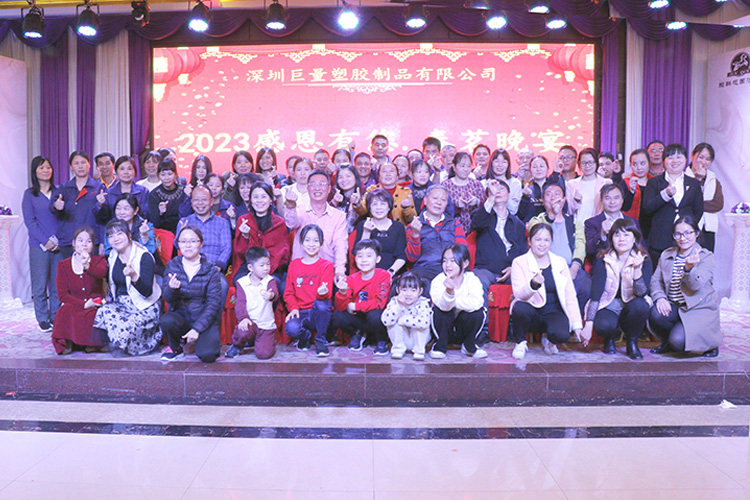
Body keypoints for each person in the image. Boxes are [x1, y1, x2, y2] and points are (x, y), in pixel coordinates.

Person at [580, 218, 652, 359]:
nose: (621, 239)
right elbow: (596, 294)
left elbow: (642, 293)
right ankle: (610, 337)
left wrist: (637, 270)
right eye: (617, 234)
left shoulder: (644, 259)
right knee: (603, 326)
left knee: (641, 306)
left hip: (631, 304)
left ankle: (632, 342)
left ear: (634, 238)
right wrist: (588, 324)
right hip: (608, 304)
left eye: (626, 234)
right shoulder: (603, 259)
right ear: (611, 238)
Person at [649, 216, 721, 357]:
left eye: (688, 233)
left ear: (697, 233)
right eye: (678, 234)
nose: (683, 238)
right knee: (655, 313)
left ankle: (710, 344)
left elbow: (695, 286)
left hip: (698, 308)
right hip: (676, 306)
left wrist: (689, 269)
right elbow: (656, 281)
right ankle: (667, 341)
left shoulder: (706, 257)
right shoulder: (666, 254)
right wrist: (660, 298)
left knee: (678, 342)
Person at [510, 223, 583, 360]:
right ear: (529, 241)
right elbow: (519, 294)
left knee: (561, 335)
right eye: (538, 239)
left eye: (546, 240)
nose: (542, 244)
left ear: (551, 242)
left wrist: (577, 325)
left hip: (554, 312)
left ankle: (548, 338)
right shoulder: (519, 262)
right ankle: (520, 342)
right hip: (532, 311)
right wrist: (533, 285)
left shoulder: (560, 262)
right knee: (519, 308)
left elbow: (570, 295)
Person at [94, 219, 162, 356]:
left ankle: (137, 344)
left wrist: (134, 276)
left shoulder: (144, 256)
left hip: (144, 306)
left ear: (129, 235)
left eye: (119, 233)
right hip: (122, 305)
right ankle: (119, 343)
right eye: (111, 235)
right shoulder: (112, 256)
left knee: (126, 326)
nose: (115, 238)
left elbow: (147, 292)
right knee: (103, 311)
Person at [160, 226, 224, 363]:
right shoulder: (172, 265)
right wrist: (172, 289)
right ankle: (176, 347)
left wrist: (197, 329)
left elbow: (213, 304)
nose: (187, 245)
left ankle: (206, 339)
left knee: (208, 355)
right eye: (183, 241)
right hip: (181, 316)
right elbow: (167, 298)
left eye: (193, 241)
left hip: (203, 317)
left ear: (201, 244)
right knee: (167, 320)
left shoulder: (211, 269)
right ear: (178, 244)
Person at [528, 183, 590, 314]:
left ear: (564, 200)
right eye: (548, 194)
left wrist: (574, 267)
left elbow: (580, 245)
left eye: (557, 194)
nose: (553, 197)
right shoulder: (536, 220)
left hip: (570, 266)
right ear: (542, 200)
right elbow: (536, 232)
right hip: (545, 267)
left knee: (585, 283)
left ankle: (574, 319)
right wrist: (552, 215)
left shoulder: (574, 222)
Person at [641, 143, 704, 265]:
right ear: (664, 161)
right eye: (670, 157)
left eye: (679, 157)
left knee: (684, 273)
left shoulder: (693, 183)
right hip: (660, 239)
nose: (675, 161)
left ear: (685, 160)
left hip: (686, 241)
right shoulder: (654, 182)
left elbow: (698, 211)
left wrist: (687, 230)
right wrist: (665, 195)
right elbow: (647, 208)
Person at [470, 179, 527, 308]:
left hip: (510, 269)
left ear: (509, 195)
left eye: (502, 189)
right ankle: (483, 319)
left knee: (525, 280)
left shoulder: (518, 224)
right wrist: (491, 198)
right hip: (486, 269)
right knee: (478, 281)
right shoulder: (481, 215)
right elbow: (476, 224)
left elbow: (523, 251)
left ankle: (515, 317)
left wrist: (514, 268)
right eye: (494, 190)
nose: (498, 192)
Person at [284, 169, 348, 282]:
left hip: (327, 273)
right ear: (307, 188)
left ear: (329, 189)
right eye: (313, 184)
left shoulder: (339, 216)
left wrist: (339, 271)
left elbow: (340, 245)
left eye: (322, 184)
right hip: (301, 274)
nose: (317, 188)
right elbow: (291, 223)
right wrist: (290, 206)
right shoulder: (299, 210)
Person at [52, 227, 108, 354]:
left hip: (94, 303)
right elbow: (62, 295)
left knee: (93, 315)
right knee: (64, 311)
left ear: (93, 245)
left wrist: (87, 265)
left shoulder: (99, 261)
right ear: (73, 243)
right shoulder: (63, 265)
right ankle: (68, 343)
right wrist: (83, 304)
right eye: (80, 240)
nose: (84, 244)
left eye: (88, 241)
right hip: (75, 304)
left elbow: (100, 273)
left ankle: (92, 344)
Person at [332, 239, 391, 354]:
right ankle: (358, 334)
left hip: (376, 317)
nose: (364, 260)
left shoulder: (384, 275)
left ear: (377, 259)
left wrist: (355, 306)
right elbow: (340, 306)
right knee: (338, 315)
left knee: (375, 315)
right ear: (355, 259)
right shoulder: (351, 279)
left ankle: (382, 340)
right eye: (360, 256)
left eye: (369, 256)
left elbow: (380, 303)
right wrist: (342, 292)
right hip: (360, 318)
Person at [23, 156, 60, 333]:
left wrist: (57, 240)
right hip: (39, 245)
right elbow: (30, 222)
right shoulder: (30, 194)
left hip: (59, 245)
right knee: (39, 284)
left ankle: (56, 316)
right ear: (34, 171)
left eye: (48, 167)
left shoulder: (59, 192)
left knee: (57, 283)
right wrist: (45, 241)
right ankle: (43, 319)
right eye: (41, 168)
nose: (46, 170)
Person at [283, 224, 334, 356]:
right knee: (291, 328)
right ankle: (305, 337)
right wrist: (293, 308)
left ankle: (320, 341)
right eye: (307, 240)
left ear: (321, 243)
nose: (311, 244)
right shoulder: (294, 265)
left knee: (322, 304)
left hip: (317, 313)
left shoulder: (326, 265)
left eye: (316, 240)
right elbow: (288, 292)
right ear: (301, 242)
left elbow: (327, 294)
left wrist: (322, 293)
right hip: (300, 312)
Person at [430, 244, 487, 359]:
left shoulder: (472, 279)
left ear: (465, 263)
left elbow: (477, 303)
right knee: (440, 311)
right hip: (445, 329)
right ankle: (440, 346)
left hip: (463, 327)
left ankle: (469, 345)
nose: (448, 265)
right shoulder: (438, 280)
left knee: (478, 312)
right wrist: (449, 292)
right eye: (445, 261)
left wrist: (452, 300)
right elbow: (444, 307)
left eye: (453, 261)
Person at [406, 184, 468, 283]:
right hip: (425, 268)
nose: (439, 202)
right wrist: (415, 235)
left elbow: (463, 252)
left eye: (443, 200)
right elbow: (411, 258)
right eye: (435, 198)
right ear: (425, 200)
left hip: (451, 268)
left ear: (446, 204)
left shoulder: (455, 224)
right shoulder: (414, 225)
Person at [226, 246, 279, 359]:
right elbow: (240, 303)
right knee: (242, 331)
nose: (266, 268)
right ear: (250, 267)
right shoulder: (242, 282)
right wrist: (243, 318)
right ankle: (238, 345)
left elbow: (274, 293)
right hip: (250, 322)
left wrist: (271, 296)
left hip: (265, 325)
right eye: (262, 265)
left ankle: (268, 341)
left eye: (268, 264)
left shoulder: (270, 280)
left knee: (263, 354)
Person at [50, 151, 106, 258]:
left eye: (83, 162)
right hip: (68, 240)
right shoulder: (64, 188)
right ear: (71, 167)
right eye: (76, 163)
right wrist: (57, 207)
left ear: (89, 165)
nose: (80, 166)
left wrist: (101, 204)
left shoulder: (99, 187)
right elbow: (53, 209)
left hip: (91, 241)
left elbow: (104, 217)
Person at [233, 182, 290, 284]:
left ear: (270, 199)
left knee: (269, 283)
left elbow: (282, 254)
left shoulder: (279, 223)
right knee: (240, 282)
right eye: (255, 197)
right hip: (249, 267)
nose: (259, 200)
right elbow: (240, 254)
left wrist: (264, 271)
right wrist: (245, 237)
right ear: (250, 200)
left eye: (263, 197)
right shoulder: (243, 220)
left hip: (272, 267)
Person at [353, 189, 407, 277]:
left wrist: (390, 273)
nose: (378, 208)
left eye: (382, 204)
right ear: (369, 207)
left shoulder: (398, 227)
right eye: (374, 204)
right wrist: (366, 232)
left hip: (392, 273)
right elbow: (358, 254)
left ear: (389, 207)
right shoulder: (363, 225)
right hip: (368, 273)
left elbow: (401, 257)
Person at [381, 272, 431, 360]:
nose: (408, 294)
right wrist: (399, 306)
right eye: (404, 290)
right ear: (397, 290)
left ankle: (419, 351)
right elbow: (386, 321)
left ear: (420, 291)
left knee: (420, 326)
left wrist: (402, 320)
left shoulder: (423, 302)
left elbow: (424, 322)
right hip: (401, 339)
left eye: (413, 290)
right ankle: (398, 350)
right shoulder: (394, 301)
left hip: (418, 340)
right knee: (392, 323)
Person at [584, 184, 640, 262]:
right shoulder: (591, 223)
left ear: (622, 200)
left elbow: (641, 248)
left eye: (616, 198)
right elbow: (590, 250)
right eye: (608, 198)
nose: (612, 202)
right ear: (601, 201)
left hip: (630, 264)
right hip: (603, 264)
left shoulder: (633, 222)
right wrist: (602, 234)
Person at [686, 142, 723, 251]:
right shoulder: (683, 177)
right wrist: (697, 179)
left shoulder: (713, 180)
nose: (703, 162)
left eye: (707, 159)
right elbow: (685, 201)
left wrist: (695, 204)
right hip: (688, 226)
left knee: (707, 257)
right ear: (692, 155)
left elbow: (718, 204)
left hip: (708, 229)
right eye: (700, 157)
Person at [442, 151, 485, 230]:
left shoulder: (477, 184)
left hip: (475, 228)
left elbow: (486, 206)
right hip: (452, 229)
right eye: (462, 166)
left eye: (468, 166)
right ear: (454, 167)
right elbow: (441, 209)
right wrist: (455, 205)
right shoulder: (446, 185)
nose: (466, 169)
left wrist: (477, 202)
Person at [565, 148, 611, 222]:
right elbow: (569, 211)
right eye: (583, 163)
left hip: (598, 225)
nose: (587, 166)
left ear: (596, 163)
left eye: (590, 162)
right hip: (577, 225)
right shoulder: (571, 184)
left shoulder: (606, 183)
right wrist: (576, 202)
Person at [517, 155, 566, 222]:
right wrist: (525, 198)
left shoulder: (555, 186)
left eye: (541, 166)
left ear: (548, 169)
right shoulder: (526, 189)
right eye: (534, 167)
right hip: (532, 226)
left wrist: (556, 174)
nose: (538, 169)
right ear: (530, 170)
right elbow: (521, 215)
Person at [101, 156, 150, 222]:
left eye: (129, 169)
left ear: (134, 171)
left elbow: (146, 215)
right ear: (116, 171)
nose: (126, 172)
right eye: (122, 169)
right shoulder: (109, 192)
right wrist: (100, 205)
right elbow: (104, 217)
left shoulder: (143, 192)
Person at [147, 159, 186, 234]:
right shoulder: (154, 195)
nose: (167, 178)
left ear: (175, 174)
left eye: (170, 174)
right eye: (163, 175)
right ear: (158, 176)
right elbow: (155, 224)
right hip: (163, 234)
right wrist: (161, 213)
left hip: (183, 231)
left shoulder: (184, 191)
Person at [485, 148, 522, 215]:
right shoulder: (484, 183)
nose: (500, 165)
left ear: (508, 165)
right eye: (496, 161)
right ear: (491, 163)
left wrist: (504, 189)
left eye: (504, 162)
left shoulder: (515, 183)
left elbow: (513, 210)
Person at [329, 164, 363, 233]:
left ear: (355, 177)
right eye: (340, 177)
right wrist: (334, 202)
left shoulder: (364, 197)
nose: (344, 180)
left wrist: (358, 204)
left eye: (348, 176)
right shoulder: (332, 195)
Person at [622, 148, 651, 222]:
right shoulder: (625, 182)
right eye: (635, 164)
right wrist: (631, 191)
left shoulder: (655, 181)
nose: (639, 168)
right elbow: (623, 207)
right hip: (631, 224)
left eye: (642, 163)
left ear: (649, 163)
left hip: (652, 225)